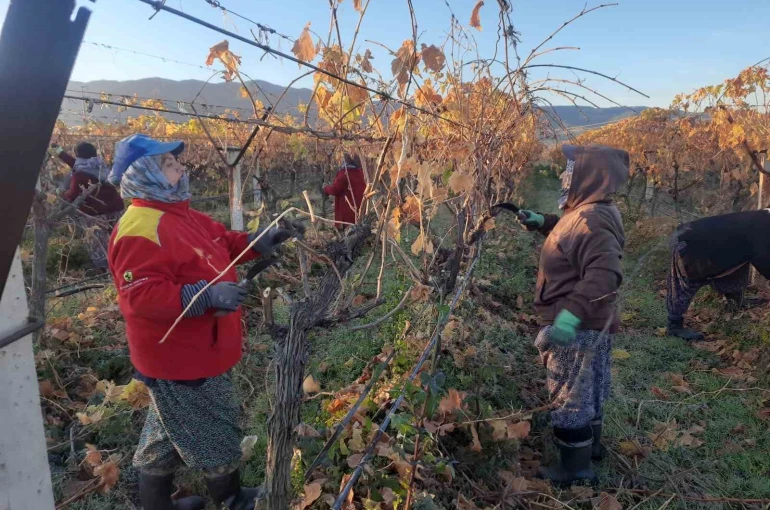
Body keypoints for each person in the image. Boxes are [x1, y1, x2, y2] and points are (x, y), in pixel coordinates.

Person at [106, 134, 291, 510]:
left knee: (164, 433)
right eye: (172, 166)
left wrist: (261, 240)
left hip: (196, 348)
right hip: (179, 357)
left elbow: (222, 242)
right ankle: (233, 499)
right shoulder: (140, 227)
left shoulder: (180, 214)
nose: (183, 169)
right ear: (147, 174)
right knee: (213, 426)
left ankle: (157, 506)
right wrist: (204, 295)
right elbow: (139, 297)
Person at [518, 144, 629, 485]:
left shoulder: (589, 219)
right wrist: (545, 223)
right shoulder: (595, 209)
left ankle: (575, 471)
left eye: (571, 168)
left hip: (577, 327)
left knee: (569, 398)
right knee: (590, 390)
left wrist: (566, 320)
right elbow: (574, 233)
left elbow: (603, 277)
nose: (565, 175)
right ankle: (591, 449)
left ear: (588, 176)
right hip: (595, 323)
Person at [666, 210, 770, 341]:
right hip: (690, 244)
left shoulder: (762, 218)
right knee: (686, 283)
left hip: (719, 245)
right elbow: (763, 258)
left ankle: (736, 301)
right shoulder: (763, 226)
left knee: (738, 267)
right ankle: (674, 325)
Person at [51, 142, 125, 269]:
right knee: (121, 236)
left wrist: (60, 194)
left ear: (79, 156)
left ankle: (104, 268)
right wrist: (60, 152)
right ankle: (125, 260)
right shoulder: (100, 164)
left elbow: (73, 195)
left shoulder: (79, 174)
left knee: (97, 242)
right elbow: (76, 163)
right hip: (116, 207)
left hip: (96, 213)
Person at [323, 153, 366, 228]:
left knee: (348, 231)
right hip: (359, 207)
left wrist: (326, 188)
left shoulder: (344, 174)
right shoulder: (361, 173)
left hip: (347, 209)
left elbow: (335, 190)